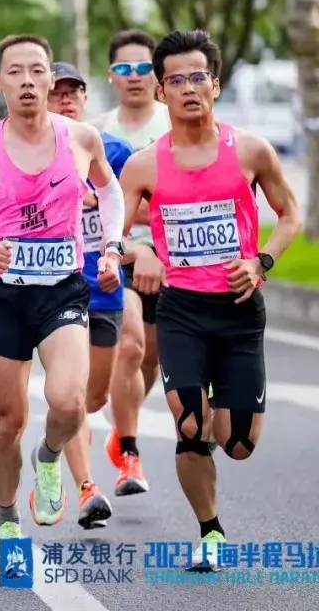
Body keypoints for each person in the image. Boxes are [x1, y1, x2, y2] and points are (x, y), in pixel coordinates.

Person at [0, 35, 123, 577]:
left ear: (50, 80)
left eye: (36, 70)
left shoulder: (82, 137)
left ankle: (49, 460)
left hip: (62, 288)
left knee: (69, 403)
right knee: (7, 419)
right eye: (14, 72)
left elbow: (110, 194)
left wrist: (110, 247)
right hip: (4, 294)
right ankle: (6, 524)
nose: (26, 80)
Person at [115, 29, 299, 567]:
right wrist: (140, 250)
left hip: (240, 309)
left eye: (199, 77)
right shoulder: (144, 165)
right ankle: (210, 531)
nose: (189, 88)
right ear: (161, 91)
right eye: (176, 80)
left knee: (238, 442)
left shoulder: (250, 150)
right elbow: (112, 236)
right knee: (190, 424)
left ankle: (217, 431)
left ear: (215, 85)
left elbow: (290, 215)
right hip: (181, 311)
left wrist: (261, 261)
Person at [47, 62, 133, 530]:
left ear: (85, 97)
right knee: (74, 393)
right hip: (58, 290)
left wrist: (116, 255)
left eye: (73, 91)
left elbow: (135, 212)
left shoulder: (114, 151)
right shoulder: (32, 152)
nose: (65, 99)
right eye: (56, 92)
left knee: (94, 395)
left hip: (105, 290)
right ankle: (87, 488)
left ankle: (87, 437)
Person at [89, 29, 170, 496]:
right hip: (115, 256)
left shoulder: (173, 125)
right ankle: (131, 457)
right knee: (131, 347)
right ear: (111, 75)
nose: (135, 77)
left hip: (171, 260)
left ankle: (124, 427)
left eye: (144, 68)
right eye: (124, 69)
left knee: (150, 363)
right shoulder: (98, 132)